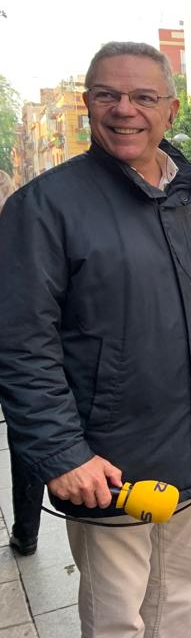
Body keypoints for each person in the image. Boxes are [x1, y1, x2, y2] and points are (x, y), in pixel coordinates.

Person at [0, 41, 191, 636]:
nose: (124, 109)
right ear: (87, 104)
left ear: (171, 110)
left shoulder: (184, 197)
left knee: (179, 602)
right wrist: (62, 454)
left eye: (142, 97)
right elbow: (21, 343)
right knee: (117, 620)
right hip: (107, 463)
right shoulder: (44, 206)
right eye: (108, 95)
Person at [0, 170, 44, 557]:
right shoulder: (27, 232)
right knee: (27, 439)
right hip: (29, 354)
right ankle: (26, 530)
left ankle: (26, 531)